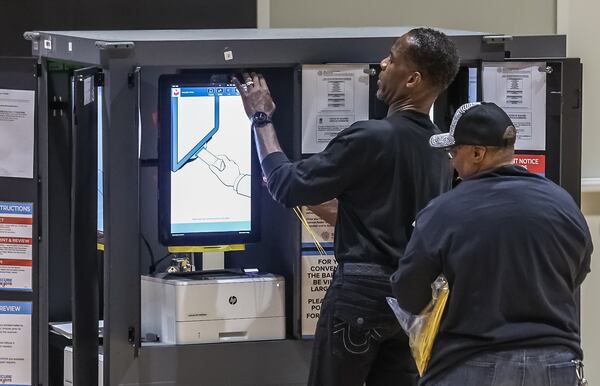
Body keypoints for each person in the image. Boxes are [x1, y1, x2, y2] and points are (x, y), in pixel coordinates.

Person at [234, 27, 459, 386]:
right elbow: (370, 218)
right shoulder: (440, 154)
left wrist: (261, 118)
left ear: (413, 79)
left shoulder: (371, 136)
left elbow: (284, 185)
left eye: (393, 58)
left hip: (359, 298)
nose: (382, 65)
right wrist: (312, 194)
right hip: (410, 304)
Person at [390, 102, 593, 386]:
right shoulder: (562, 203)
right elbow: (579, 271)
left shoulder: (444, 210)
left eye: (453, 152)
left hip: (472, 363)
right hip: (557, 364)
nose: (452, 162)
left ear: (476, 153)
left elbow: (409, 293)